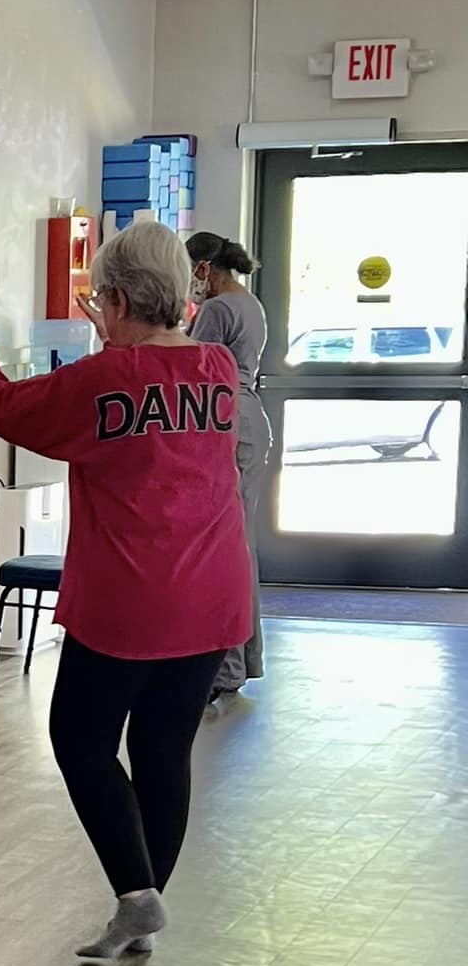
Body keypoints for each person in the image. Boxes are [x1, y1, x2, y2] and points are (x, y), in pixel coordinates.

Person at [0, 219, 250, 961]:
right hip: (212, 593)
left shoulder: (106, 378)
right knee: (165, 751)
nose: (96, 310)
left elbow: (3, 406)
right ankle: (143, 905)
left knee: (79, 739)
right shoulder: (217, 370)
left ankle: (137, 897)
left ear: (122, 298)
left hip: (132, 600)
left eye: (101, 299)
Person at [185, 231, 271, 705]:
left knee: (228, 547)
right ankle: (242, 658)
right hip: (251, 420)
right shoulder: (250, 303)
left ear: (204, 267)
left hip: (229, 424)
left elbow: (191, 367)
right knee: (243, 543)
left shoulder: (217, 311)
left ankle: (229, 664)